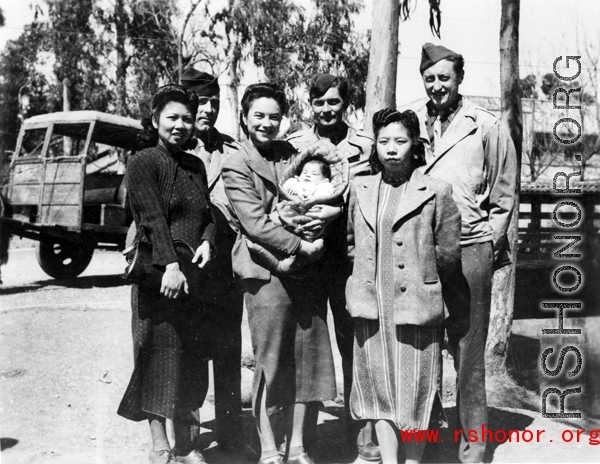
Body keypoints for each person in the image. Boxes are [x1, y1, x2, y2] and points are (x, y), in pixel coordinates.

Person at [221, 83, 338, 464]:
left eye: (274, 116)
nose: (267, 123)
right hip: (264, 270)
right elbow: (253, 223)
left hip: (306, 271)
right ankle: (269, 447)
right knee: (271, 360)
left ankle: (299, 445)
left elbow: (326, 190)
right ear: (244, 117)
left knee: (309, 356)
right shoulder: (235, 161)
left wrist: (319, 226)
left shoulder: (293, 153)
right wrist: (298, 245)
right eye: (259, 116)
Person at [416, 43, 518, 463]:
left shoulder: (486, 125)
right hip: (421, 248)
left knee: (468, 349)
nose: (437, 85)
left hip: (472, 246)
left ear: (459, 80)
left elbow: (505, 193)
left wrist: (489, 243)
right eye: (430, 78)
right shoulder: (413, 123)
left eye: (445, 78)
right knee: (423, 346)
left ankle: (474, 447)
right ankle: (429, 436)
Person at [346, 108, 461, 464]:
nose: (391, 149)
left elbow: (447, 253)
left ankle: (412, 460)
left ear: (415, 145)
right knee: (378, 392)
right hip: (372, 308)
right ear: (375, 147)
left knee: (415, 393)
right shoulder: (360, 187)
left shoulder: (436, 190)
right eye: (383, 142)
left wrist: (419, 280)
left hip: (416, 310)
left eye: (400, 141)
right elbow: (351, 243)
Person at [117, 84, 216, 464]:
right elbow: (152, 217)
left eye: (187, 119)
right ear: (156, 119)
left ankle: (187, 445)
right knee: (157, 355)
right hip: (158, 275)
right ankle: (159, 444)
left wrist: (207, 240)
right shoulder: (143, 161)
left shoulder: (196, 166)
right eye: (172, 117)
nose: (180, 125)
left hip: (192, 276)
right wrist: (170, 266)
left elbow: (206, 215)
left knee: (190, 357)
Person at [286, 72, 377, 460]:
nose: (326, 110)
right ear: (311, 105)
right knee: (307, 344)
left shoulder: (366, 146)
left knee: (353, 343)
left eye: (334, 102)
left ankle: (360, 434)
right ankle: (301, 439)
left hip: (350, 258)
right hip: (309, 258)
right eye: (319, 103)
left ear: (346, 104)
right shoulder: (296, 145)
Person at [180, 67, 257, 461]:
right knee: (189, 349)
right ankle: (188, 439)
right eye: (198, 102)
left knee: (229, 348)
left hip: (226, 262)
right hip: (186, 262)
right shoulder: (173, 148)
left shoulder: (231, 148)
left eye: (213, 102)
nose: (207, 109)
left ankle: (230, 433)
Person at [244, 150, 349, 275]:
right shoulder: (296, 181)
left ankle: (289, 262)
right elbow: (286, 185)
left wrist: (315, 197)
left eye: (314, 173)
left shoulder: (323, 186)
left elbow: (329, 194)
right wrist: (293, 188)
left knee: (315, 241)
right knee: (278, 225)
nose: (308, 175)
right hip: (291, 213)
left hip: (311, 216)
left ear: (324, 179)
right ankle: (268, 253)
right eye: (305, 172)